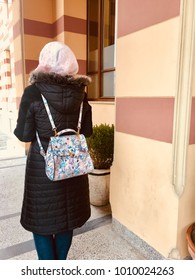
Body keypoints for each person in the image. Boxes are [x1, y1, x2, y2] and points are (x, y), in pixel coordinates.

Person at [14, 41, 93, 260]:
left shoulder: (33, 92)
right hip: (74, 169)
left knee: (42, 224)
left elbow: (24, 135)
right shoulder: (81, 94)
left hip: (43, 171)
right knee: (66, 221)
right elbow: (86, 131)